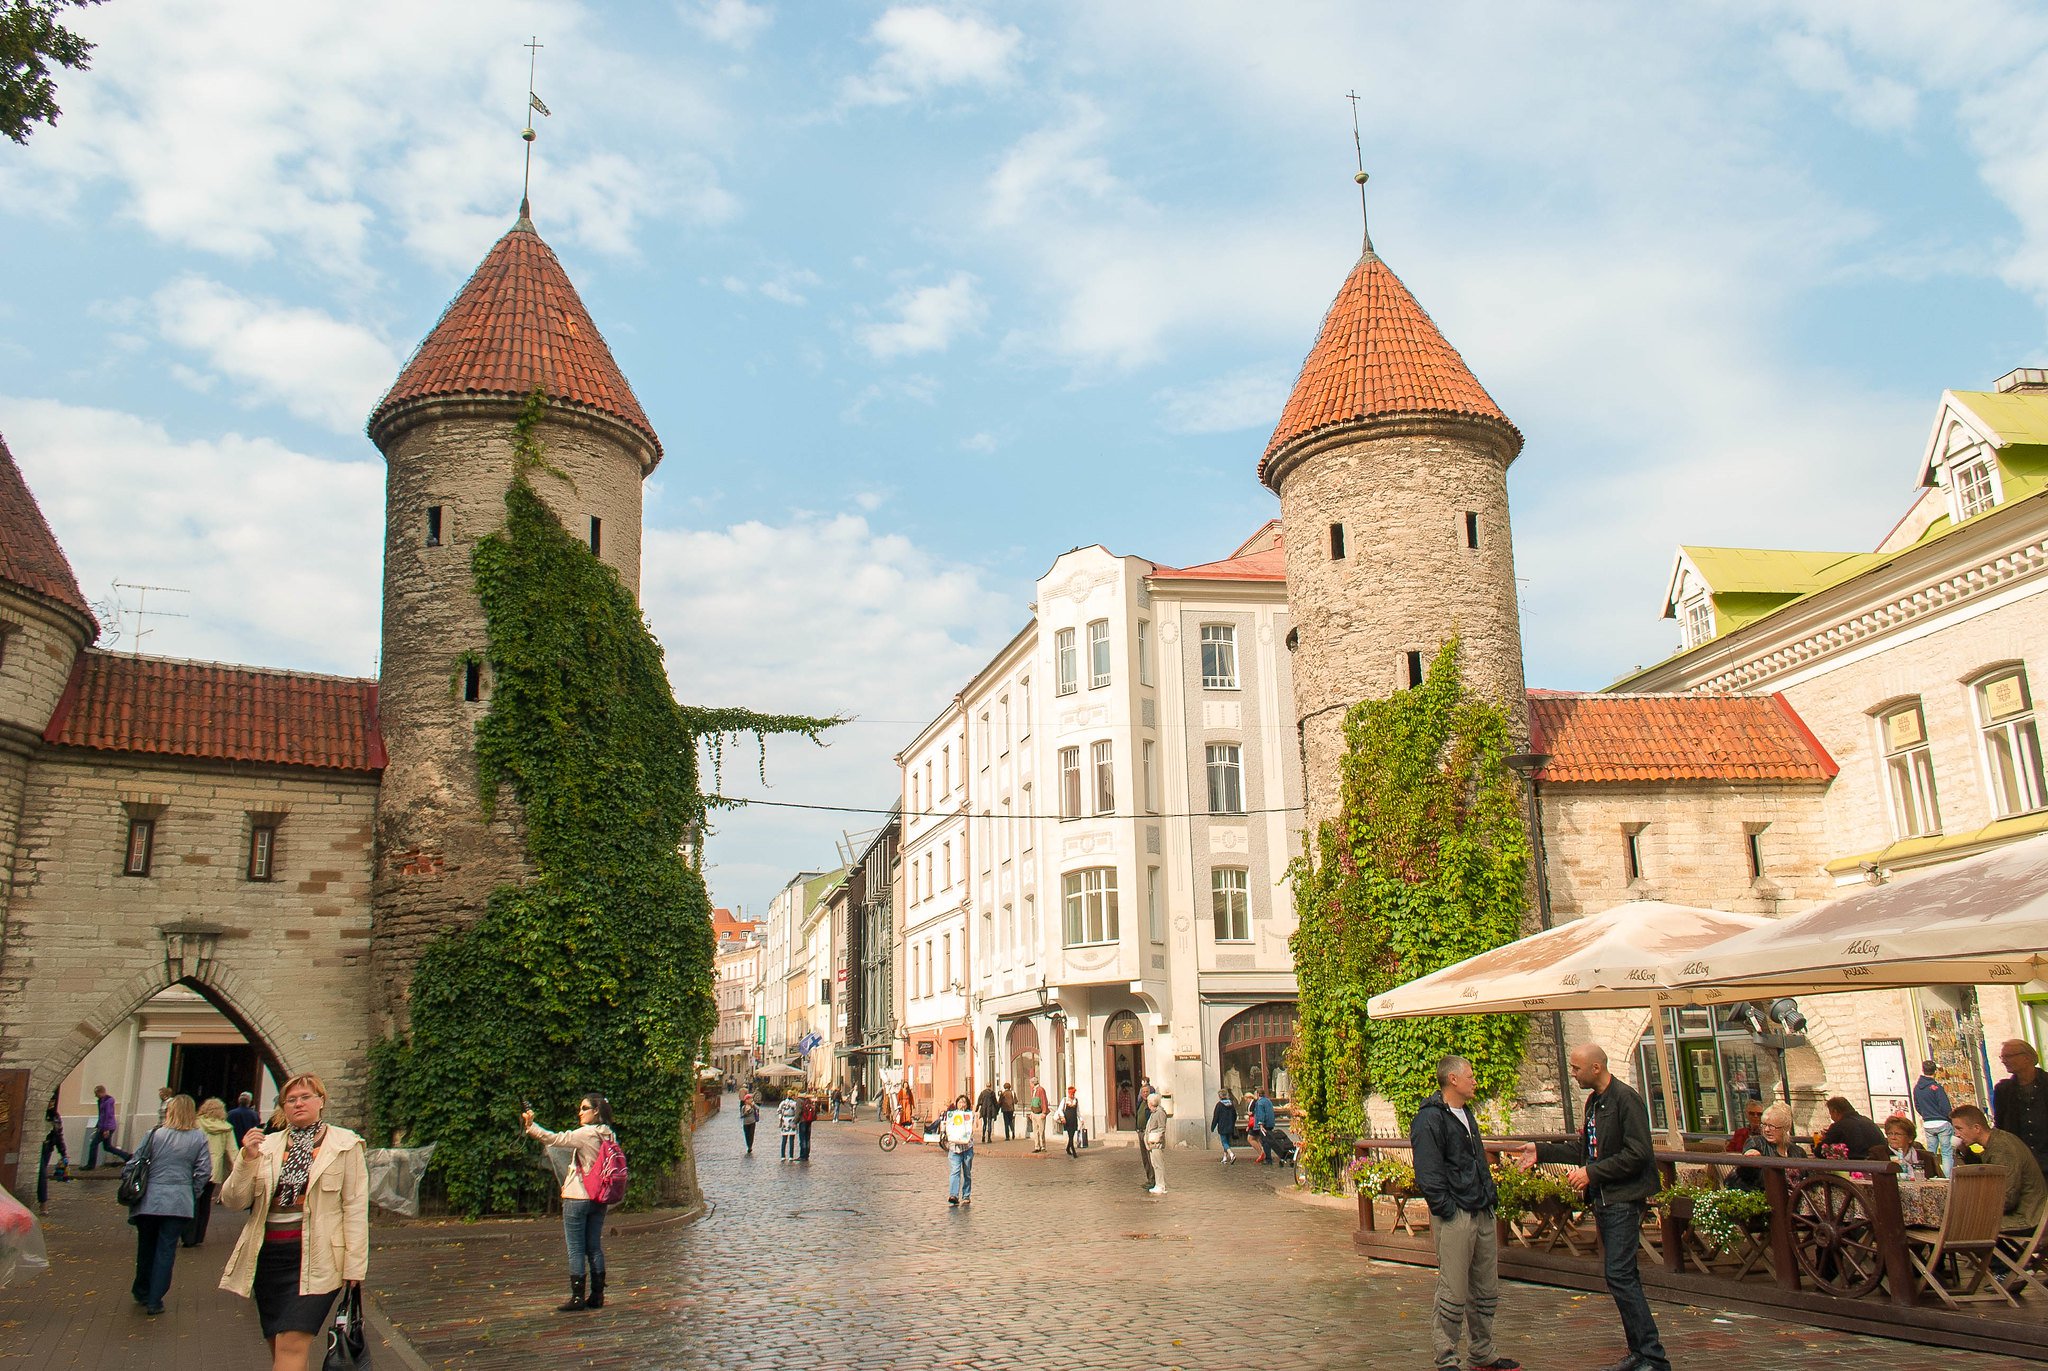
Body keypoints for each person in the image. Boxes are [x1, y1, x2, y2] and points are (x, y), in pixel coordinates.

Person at [1520, 1044, 1668, 1371]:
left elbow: (1639, 1153)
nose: (1572, 1074)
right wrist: (1541, 1151)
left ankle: (1652, 1356)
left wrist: (1592, 1173)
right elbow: (1585, 1150)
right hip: (1604, 1199)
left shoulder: (1625, 1099)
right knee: (1619, 1276)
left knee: (1620, 1274)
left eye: (1576, 1068)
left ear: (1596, 1068)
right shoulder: (1595, 1102)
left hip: (1623, 1199)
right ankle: (1641, 1353)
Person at [220, 1073, 369, 1364]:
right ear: (283, 1107)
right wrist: (246, 1160)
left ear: (321, 1101)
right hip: (269, 1259)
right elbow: (234, 1201)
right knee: (279, 1345)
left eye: (305, 1097)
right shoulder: (267, 1146)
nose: (298, 1104)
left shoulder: (345, 1145)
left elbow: (354, 1207)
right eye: (291, 1100)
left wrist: (355, 1266)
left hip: (318, 1259)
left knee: (291, 1345)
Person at [1414, 1057, 1520, 1371]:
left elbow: (1476, 1160)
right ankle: (1446, 1358)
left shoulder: (1466, 1114)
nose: (1475, 1081)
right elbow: (1429, 1171)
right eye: (1470, 1076)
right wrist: (1447, 1208)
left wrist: (1489, 1198)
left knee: (1486, 1288)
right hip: (1455, 1213)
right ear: (1452, 1079)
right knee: (1453, 1289)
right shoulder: (1429, 1119)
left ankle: (1483, 1352)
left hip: (1480, 1208)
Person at [522, 1094, 621, 1312]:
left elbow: (555, 1139)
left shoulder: (586, 1133)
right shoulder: (609, 1134)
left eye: (584, 1108)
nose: (580, 1112)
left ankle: (577, 1297)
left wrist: (531, 1126)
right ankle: (597, 1294)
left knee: (576, 1249)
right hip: (599, 1197)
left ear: (596, 1111)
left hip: (578, 1196)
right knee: (594, 1246)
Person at [125, 1093, 211, 1316]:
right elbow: (203, 1171)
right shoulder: (198, 1138)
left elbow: (135, 1162)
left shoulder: (155, 1134)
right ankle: (155, 1299)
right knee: (166, 1250)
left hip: (150, 1199)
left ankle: (142, 1290)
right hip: (179, 1200)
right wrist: (191, 1192)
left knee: (146, 1247)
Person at [1953, 1103, 2048, 1232]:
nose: (1956, 1134)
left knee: (1962, 1225)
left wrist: (1975, 1209)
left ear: (1977, 1128)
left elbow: (2007, 1198)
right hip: (2025, 1213)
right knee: (1960, 1221)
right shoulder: (1996, 1141)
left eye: (1959, 1129)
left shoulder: (2002, 1148)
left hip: (2027, 1217)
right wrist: (1966, 1152)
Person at [1993, 1039, 2048, 1182]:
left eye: (2009, 1056)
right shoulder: (2004, 1090)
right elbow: (2001, 1128)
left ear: (2027, 1057)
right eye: (2002, 1057)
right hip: (2022, 1167)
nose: (2004, 1061)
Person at [186, 1097, 236, 1247]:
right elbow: (232, 1152)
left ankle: (189, 1235)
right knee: (205, 1203)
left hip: (195, 1168)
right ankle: (200, 1235)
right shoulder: (226, 1127)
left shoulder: (196, 1124)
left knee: (193, 1201)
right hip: (213, 1171)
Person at [1728, 1102, 1806, 1191]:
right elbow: (1752, 1152)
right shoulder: (1757, 1142)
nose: (1766, 1130)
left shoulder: (1798, 1152)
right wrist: (1752, 1154)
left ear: (1785, 1128)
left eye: (1772, 1126)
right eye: (1764, 1125)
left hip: (1796, 1199)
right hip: (1765, 1197)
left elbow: (1808, 1179)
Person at [1913, 1060, 1955, 1177]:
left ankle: (1931, 1175)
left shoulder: (1917, 1088)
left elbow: (1917, 1106)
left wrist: (1926, 1115)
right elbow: (1945, 1107)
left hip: (1928, 1123)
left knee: (1930, 1153)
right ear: (1935, 1071)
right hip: (1942, 1122)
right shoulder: (1936, 1087)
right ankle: (1947, 1178)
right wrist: (1950, 1119)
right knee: (1946, 1153)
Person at [1814, 1096, 1888, 1161]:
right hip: (1878, 1165)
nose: (1831, 1117)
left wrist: (1826, 1138)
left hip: (1854, 1168)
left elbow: (1820, 1152)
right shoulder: (1868, 1121)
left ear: (1835, 1111)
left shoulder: (1838, 1126)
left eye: (1830, 1113)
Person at [36, 1090, 69, 1213]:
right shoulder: (38, 1113)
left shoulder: (55, 1117)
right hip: (37, 1147)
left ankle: (42, 1202)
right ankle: (42, 1202)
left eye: (53, 1101)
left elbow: (58, 1134)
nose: (51, 1104)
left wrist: (63, 1153)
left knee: (42, 1175)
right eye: (49, 1101)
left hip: (47, 1148)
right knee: (41, 1174)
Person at [1881, 1115, 1941, 1180]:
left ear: (1910, 1138)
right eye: (1889, 1133)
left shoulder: (1926, 1158)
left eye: (1898, 1134)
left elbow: (1936, 1180)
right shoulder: (1879, 1154)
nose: (1893, 1137)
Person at [87, 1084, 131, 1168]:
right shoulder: (101, 1101)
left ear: (101, 1092)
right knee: (107, 1147)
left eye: (96, 1094)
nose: (95, 1096)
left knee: (94, 1144)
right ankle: (127, 1156)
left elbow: (108, 1115)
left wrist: (106, 1129)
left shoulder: (108, 1101)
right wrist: (98, 1126)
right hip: (104, 1126)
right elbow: (101, 1115)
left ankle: (90, 1164)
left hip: (107, 1127)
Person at [943, 1094, 975, 1206]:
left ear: (967, 1104)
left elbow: (970, 1128)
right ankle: (954, 1195)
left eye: (964, 1102)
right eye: (960, 1102)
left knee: (967, 1172)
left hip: (967, 1148)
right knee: (955, 1171)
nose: (962, 1104)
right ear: (956, 1103)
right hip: (954, 1148)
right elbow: (948, 1126)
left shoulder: (970, 1115)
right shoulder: (952, 1114)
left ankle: (966, 1195)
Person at [1142, 1090, 1169, 1195]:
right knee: (1154, 1164)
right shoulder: (1154, 1113)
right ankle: (1158, 1184)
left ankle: (1161, 1185)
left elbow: (1162, 1128)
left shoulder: (1160, 1113)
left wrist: (1156, 1137)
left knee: (1158, 1164)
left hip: (1156, 1143)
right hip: (1151, 1143)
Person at [1250, 1088, 1277, 1165]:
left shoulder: (1259, 1103)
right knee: (1268, 1140)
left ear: (1258, 1094)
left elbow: (1261, 1114)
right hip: (1270, 1123)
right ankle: (1269, 1158)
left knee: (1265, 1142)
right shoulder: (1268, 1101)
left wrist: (1261, 1125)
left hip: (1264, 1125)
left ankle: (1268, 1159)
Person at [1212, 1090, 1238, 1164]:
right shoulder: (1231, 1104)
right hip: (1230, 1126)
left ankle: (1231, 1154)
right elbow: (1235, 1115)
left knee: (1224, 1142)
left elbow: (1216, 1117)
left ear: (1220, 1096)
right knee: (1227, 1142)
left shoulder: (1219, 1105)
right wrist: (1232, 1123)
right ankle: (1225, 1157)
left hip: (1222, 1126)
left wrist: (1213, 1126)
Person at [1027, 1076, 1049, 1153]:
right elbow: (1033, 1102)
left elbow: (1043, 1101)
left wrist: (1044, 1112)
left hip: (1040, 1113)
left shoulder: (1040, 1090)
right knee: (1035, 1131)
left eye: (1030, 1083)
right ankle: (1037, 1146)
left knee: (1041, 1131)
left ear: (1033, 1083)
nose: (1030, 1084)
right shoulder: (1034, 1090)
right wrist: (1031, 1112)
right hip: (1034, 1113)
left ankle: (1043, 1146)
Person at [777, 1094, 799, 1161]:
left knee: (784, 1139)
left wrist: (780, 1118)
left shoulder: (783, 1103)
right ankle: (791, 1156)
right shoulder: (794, 1103)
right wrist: (796, 1120)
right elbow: (796, 1112)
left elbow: (779, 1111)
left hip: (784, 1120)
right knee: (791, 1140)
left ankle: (783, 1155)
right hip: (791, 1120)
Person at [797, 1090, 817, 1161]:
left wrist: (795, 1121)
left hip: (803, 1121)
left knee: (802, 1139)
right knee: (807, 1138)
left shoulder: (799, 1101)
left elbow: (798, 1112)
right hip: (809, 1121)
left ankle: (802, 1155)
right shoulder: (809, 1100)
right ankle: (807, 1154)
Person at [1061, 1085, 1081, 1158]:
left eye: (1073, 1094)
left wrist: (1081, 1119)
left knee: (1072, 1135)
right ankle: (1073, 1150)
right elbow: (1060, 1109)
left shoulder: (1076, 1100)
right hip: (1067, 1120)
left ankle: (1067, 1148)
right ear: (1069, 1093)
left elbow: (1078, 1111)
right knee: (1070, 1135)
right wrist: (1063, 1117)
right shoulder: (1065, 1100)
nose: (1072, 1095)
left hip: (1074, 1120)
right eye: (1071, 1094)